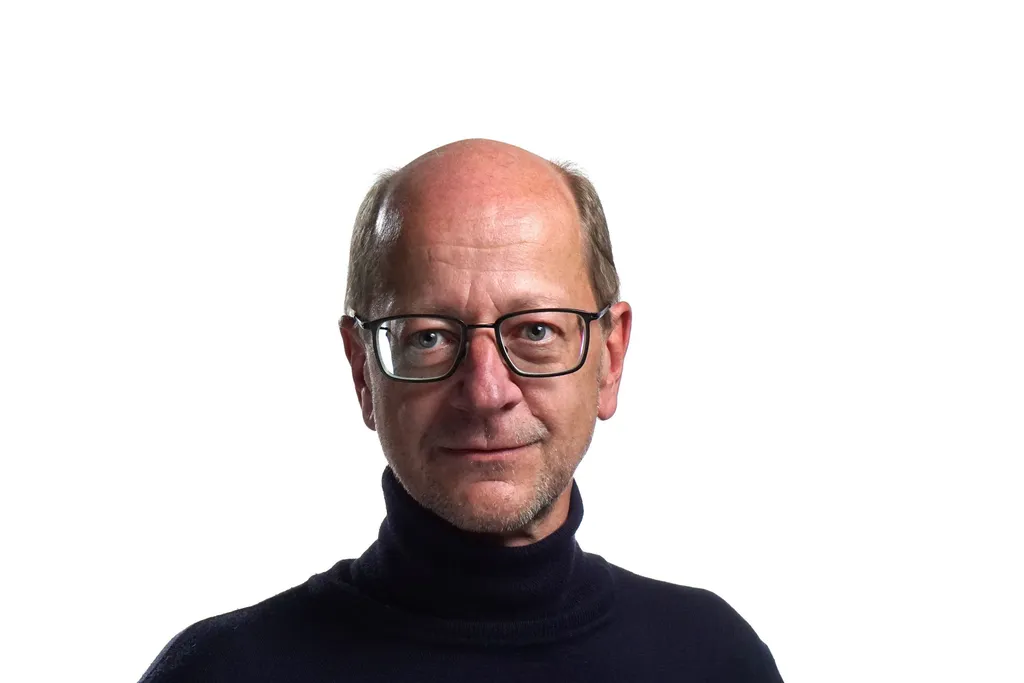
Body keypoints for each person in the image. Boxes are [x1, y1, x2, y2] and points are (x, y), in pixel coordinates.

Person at [138, 139, 784, 682]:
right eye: (429, 336)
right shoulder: (223, 671)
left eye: (535, 330)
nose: (485, 392)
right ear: (363, 369)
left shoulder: (714, 659)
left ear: (610, 358)